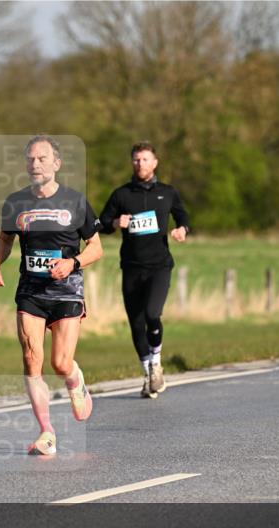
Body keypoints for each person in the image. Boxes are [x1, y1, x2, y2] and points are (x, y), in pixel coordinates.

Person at [0, 135, 103, 456]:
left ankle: (74, 379)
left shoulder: (76, 202)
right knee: (31, 357)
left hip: (67, 291)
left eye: (42, 158)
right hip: (31, 290)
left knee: (60, 363)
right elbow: (5, 240)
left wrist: (72, 263)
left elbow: (96, 248)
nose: (35, 164)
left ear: (57, 164)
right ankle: (46, 432)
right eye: (30, 159)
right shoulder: (16, 202)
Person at [98, 142, 190, 398]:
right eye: (136, 160)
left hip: (159, 266)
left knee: (152, 314)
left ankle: (156, 364)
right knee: (136, 323)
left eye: (145, 159)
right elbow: (100, 223)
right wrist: (115, 222)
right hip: (131, 267)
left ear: (155, 163)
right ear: (132, 163)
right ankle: (149, 375)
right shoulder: (122, 195)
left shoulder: (167, 192)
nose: (140, 164)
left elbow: (183, 216)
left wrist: (182, 229)